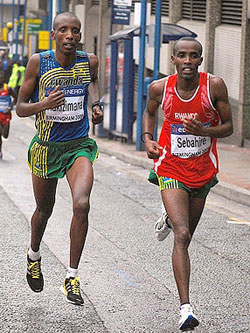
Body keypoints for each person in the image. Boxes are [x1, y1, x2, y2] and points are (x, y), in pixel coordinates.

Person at [142, 37, 233, 331]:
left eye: (194, 56)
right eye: (182, 56)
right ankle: (186, 309)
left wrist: (204, 130)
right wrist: (147, 139)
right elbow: (150, 113)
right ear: (173, 60)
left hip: (202, 170)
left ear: (200, 61)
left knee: (187, 233)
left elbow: (229, 127)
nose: (188, 61)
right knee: (181, 235)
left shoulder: (214, 86)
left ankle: (171, 216)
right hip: (170, 166)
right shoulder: (160, 88)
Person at [16, 12, 103, 306]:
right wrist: (45, 104)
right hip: (46, 147)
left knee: (82, 204)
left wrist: (97, 104)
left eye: (75, 31)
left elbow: (92, 83)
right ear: (54, 35)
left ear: (79, 35)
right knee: (44, 209)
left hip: (78, 145)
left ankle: (72, 276)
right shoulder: (39, 63)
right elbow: (20, 108)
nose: (70, 36)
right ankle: (34, 254)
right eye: (64, 31)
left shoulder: (88, 61)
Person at [0, 71, 17, 159]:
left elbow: (15, 98)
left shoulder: (8, 88)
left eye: (1, 78)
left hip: (6, 115)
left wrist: (10, 107)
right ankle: (0, 151)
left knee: (5, 135)